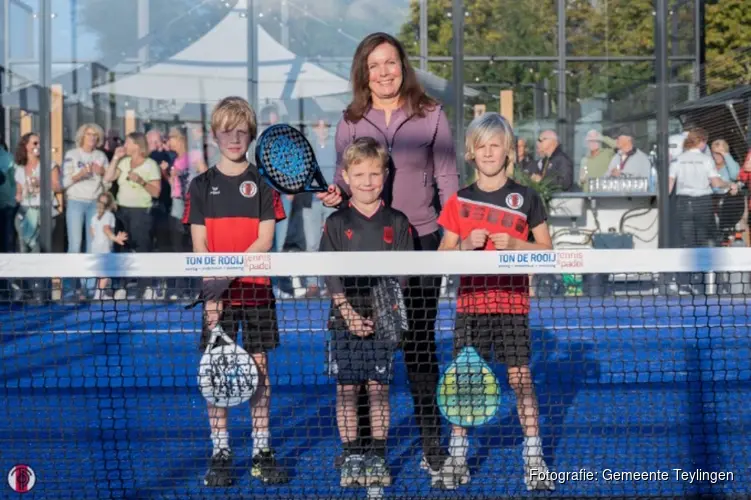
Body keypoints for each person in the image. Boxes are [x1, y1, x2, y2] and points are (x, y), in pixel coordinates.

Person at [317, 31, 460, 488]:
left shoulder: (432, 114)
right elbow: (347, 183)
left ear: (403, 66)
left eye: (391, 62)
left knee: (419, 351)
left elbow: (449, 180)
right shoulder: (350, 121)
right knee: (360, 355)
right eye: (374, 64)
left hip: (419, 245)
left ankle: (431, 445)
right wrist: (335, 196)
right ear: (363, 72)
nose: (383, 71)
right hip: (361, 254)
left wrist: (448, 243)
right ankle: (358, 451)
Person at [437, 113, 555, 491]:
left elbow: (547, 251)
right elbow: (442, 256)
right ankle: (457, 455)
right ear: (471, 152)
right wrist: (465, 245)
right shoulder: (459, 201)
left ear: (509, 151)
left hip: (513, 306)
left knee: (521, 380)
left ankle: (534, 457)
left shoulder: (528, 198)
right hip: (471, 308)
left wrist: (520, 246)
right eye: (482, 146)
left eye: (496, 145)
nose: (489, 152)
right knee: (464, 384)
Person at [187, 96, 288, 487]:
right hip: (217, 296)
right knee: (217, 374)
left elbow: (265, 240)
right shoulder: (200, 185)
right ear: (215, 135)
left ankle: (262, 447)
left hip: (257, 292)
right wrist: (213, 294)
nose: (234, 138)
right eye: (226, 130)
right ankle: (221, 450)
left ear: (250, 134)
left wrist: (229, 274)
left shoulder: (263, 184)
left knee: (260, 370)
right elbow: (200, 248)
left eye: (241, 131)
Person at [320, 137, 413, 488]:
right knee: (346, 390)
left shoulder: (399, 221)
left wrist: (379, 313)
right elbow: (330, 274)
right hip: (344, 319)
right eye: (359, 174)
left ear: (385, 175)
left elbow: (403, 277)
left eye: (375, 173)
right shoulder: (335, 222)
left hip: (383, 320)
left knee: (377, 390)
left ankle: (376, 454)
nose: (367, 181)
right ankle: (353, 454)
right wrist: (348, 312)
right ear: (346, 176)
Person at [90, 192, 128, 300]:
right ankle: (99, 295)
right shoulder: (109, 216)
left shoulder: (94, 216)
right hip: (104, 247)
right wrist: (115, 238)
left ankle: (99, 293)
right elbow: (106, 229)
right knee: (106, 272)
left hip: (95, 246)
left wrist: (97, 240)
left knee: (101, 272)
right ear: (112, 204)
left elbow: (92, 231)